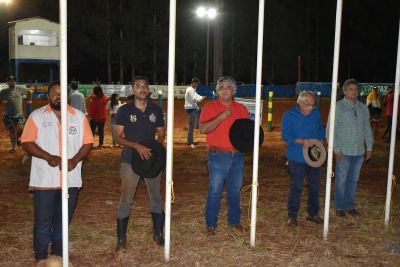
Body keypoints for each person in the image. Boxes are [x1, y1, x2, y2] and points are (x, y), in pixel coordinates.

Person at [20, 82, 93, 262]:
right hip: (44, 180)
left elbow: (88, 142)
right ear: (48, 96)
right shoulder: (36, 116)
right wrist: (47, 157)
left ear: (68, 95)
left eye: (61, 93)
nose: (58, 96)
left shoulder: (78, 116)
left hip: (70, 181)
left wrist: (75, 160)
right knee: (43, 224)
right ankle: (41, 258)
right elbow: (27, 141)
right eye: (54, 92)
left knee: (63, 224)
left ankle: (58, 258)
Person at [115, 76, 165, 251]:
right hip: (130, 159)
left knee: (156, 197)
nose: (142, 89)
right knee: (126, 198)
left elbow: (161, 133)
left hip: (151, 159)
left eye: (145, 86)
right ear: (132, 90)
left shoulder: (156, 110)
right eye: (138, 86)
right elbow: (118, 137)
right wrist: (136, 145)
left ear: (149, 89)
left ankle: (158, 233)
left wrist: (155, 148)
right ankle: (121, 238)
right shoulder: (124, 110)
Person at [199, 76, 248, 236]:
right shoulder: (210, 107)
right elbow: (203, 129)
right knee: (215, 191)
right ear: (217, 91)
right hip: (218, 156)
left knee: (235, 191)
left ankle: (234, 222)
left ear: (233, 90)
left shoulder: (242, 109)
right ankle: (211, 224)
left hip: (238, 156)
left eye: (229, 87)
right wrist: (222, 116)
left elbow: (246, 134)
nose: (225, 89)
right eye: (222, 87)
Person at [281, 91, 325, 227]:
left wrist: (321, 142)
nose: (311, 108)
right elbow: (285, 136)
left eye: (313, 105)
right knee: (296, 186)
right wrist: (301, 141)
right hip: (296, 156)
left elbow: (320, 129)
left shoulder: (316, 113)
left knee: (315, 186)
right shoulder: (288, 115)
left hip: (314, 155)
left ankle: (313, 213)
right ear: (300, 103)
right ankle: (292, 216)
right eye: (309, 105)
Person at [331, 79, 373, 217]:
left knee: (354, 180)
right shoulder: (338, 107)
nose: (354, 92)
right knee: (341, 180)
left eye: (355, 89)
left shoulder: (363, 108)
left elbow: (367, 128)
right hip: (343, 150)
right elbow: (331, 130)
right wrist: (336, 149)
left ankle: (349, 206)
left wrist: (369, 147)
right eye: (350, 89)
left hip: (359, 151)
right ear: (344, 91)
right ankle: (339, 206)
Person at [0, 75, 32, 153]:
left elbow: (29, 91)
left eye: (13, 80)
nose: (12, 82)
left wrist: (29, 100)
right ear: (7, 82)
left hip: (19, 114)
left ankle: (18, 139)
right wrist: (2, 103)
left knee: (21, 128)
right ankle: (14, 148)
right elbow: (1, 100)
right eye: (10, 81)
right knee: (12, 131)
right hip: (9, 115)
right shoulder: (3, 91)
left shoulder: (19, 88)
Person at [184, 77, 205, 148]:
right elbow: (195, 99)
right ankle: (190, 142)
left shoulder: (192, 89)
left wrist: (201, 96)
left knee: (199, 110)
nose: (198, 85)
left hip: (192, 107)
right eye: (197, 83)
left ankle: (197, 126)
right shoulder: (190, 90)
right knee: (191, 127)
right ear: (194, 83)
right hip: (190, 109)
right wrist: (201, 98)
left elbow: (196, 95)